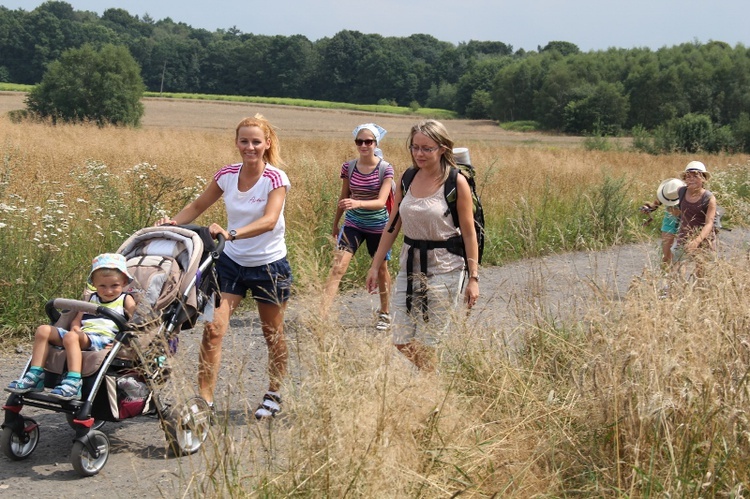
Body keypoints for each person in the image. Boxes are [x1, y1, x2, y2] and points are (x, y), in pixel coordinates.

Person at [157, 114, 292, 420]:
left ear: (267, 144)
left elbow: (270, 221)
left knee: (273, 333)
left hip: (269, 266)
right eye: (244, 141)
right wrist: (173, 224)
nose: (250, 147)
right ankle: (204, 400)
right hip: (230, 263)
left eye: (256, 142)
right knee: (213, 330)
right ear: (236, 143)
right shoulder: (227, 174)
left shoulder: (276, 179)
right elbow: (196, 206)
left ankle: (274, 392)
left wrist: (231, 234)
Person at [365, 120, 480, 372]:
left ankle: (432, 392)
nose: (419, 154)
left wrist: (473, 278)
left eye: (427, 148)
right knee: (401, 338)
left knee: (430, 342)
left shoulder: (456, 182)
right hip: (410, 265)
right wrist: (375, 266)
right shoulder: (407, 177)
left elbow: (470, 233)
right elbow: (392, 225)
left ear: (442, 148)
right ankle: (435, 377)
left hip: (446, 268)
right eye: (415, 147)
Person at [6, 253, 137, 401]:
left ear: (124, 282)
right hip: (81, 336)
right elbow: (77, 320)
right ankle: (35, 375)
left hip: (104, 338)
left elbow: (135, 323)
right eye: (102, 286)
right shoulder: (91, 298)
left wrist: (121, 342)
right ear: (94, 283)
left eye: (114, 285)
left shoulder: (125, 299)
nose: (108, 291)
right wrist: (75, 327)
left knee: (71, 337)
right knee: (43, 330)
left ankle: (74, 381)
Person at [321, 123, 394, 330]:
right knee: (338, 267)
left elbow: (381, 201)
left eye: (368, 141)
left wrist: (358, 203)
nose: (364, 145)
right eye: (359, 141)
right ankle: (323, 315)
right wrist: (336, 223)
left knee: (381, 269)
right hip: (353, 223)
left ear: (375, 143)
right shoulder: (349, 166)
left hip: (378, 225)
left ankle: (385, 313)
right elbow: (343, 197)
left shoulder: (385, 168)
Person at [673, 161, 718, 274]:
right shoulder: (681, 191)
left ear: (703, 178)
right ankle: (677, 291)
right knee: (677, 268)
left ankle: (699, 291)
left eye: (695, 176)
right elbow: (666, 197)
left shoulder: (709, 198)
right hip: (685, 235)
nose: (691, 179)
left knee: (700, 273)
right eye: (688, 176)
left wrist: (696, 241)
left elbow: (709, 224)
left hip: (703, 239)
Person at [640, 178, 685, 266]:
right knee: (665, 256)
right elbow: (655, 204)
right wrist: (647, 208)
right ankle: (666, 276)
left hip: (685, 223)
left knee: (678, 259)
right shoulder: (667, 191)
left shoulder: (689, 194)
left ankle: (678, 277)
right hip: (669, 221)